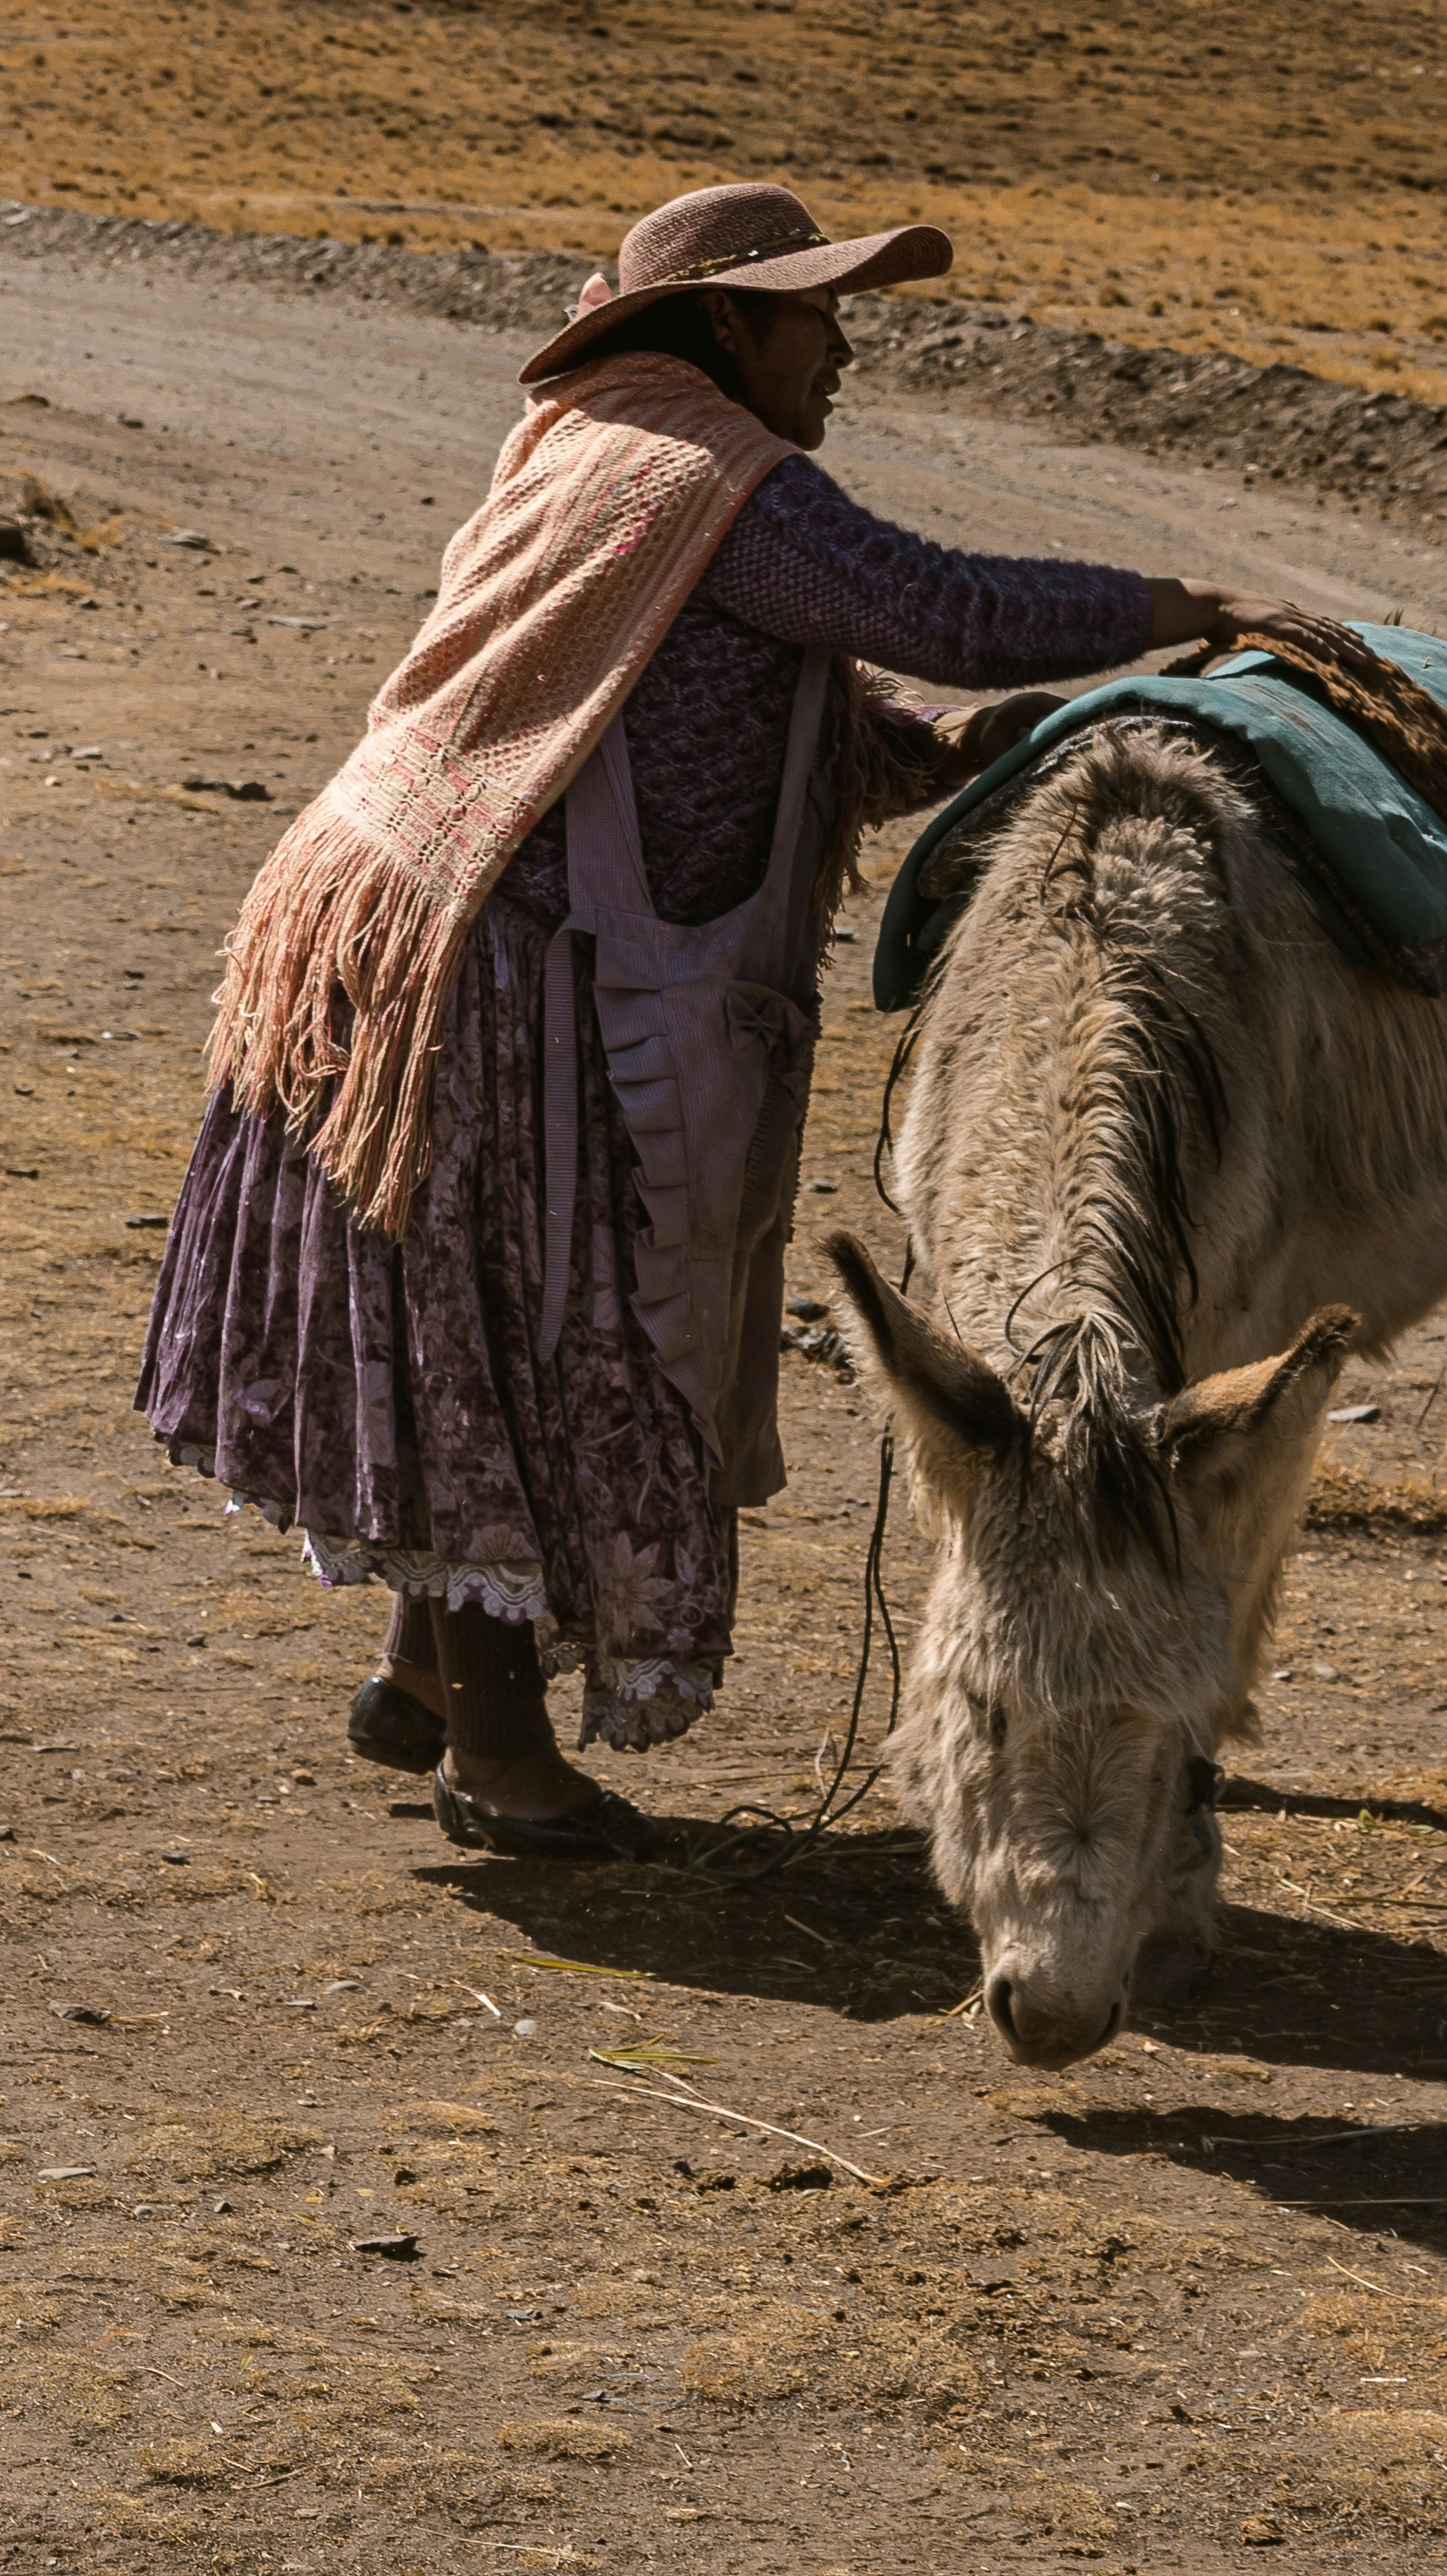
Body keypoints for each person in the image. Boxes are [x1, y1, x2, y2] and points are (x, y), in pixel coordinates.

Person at [138, 175, 1291, 1853]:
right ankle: (500, 1756)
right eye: (820, 316)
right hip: (503, 967)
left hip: (428, 916)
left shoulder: (594, 447)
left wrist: (946, 753)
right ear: (729, 322)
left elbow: (747, 693)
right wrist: (1178, 613)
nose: (840, 356)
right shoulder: (712, 473)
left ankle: (429, 1672)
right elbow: (934, 609)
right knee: (542, 1326)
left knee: (494, 1313)